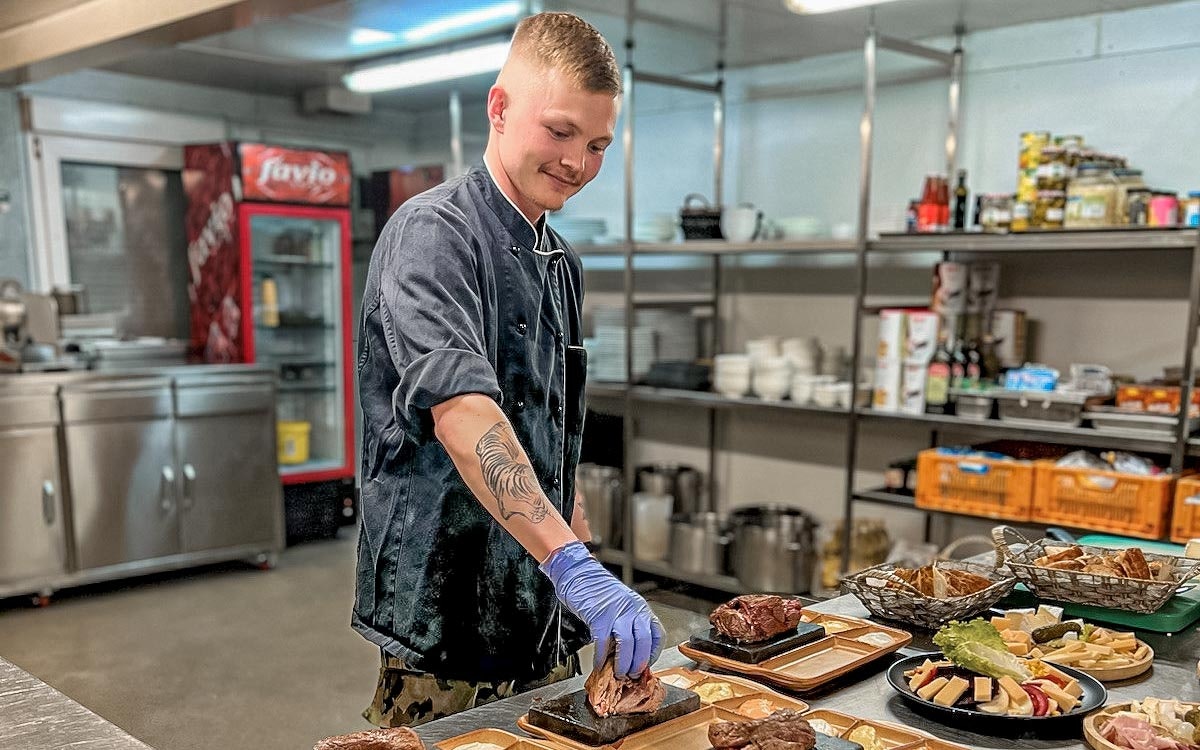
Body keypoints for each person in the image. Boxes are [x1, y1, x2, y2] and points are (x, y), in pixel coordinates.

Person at [354, 11, 664, 728]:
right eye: (560, 132)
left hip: (541, 612)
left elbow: (550, 422)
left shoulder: (561, 264)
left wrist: (576, 546)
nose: (577, 163)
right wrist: (572, 565)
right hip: (445, 619)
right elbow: (464, 412)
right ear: (499, 108)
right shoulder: (434, 234)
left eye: (597, 144)